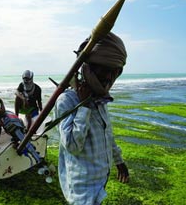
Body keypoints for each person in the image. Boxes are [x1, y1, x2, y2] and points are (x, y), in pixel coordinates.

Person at [54, 32, 130, 204]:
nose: (109, 77)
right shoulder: (67, 100)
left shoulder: (100, 100)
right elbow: (73, 146)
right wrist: (84, 107)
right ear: (89, 67)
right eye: (105, 70)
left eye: (114, 72)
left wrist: (119, 161)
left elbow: (107, 136)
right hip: (82, 189)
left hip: (100, 183)